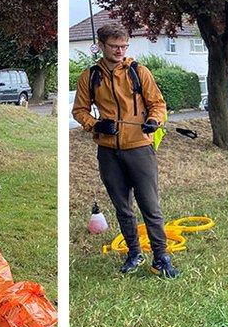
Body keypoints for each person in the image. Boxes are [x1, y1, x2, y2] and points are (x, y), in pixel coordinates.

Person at [72, 21, 177, 278]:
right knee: (123, 208)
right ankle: (134, 253)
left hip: (140, 148)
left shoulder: (138, 72)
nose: (120, 51)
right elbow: (79, 111)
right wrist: (97, 125)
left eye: (124, 46)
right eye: (115, 46)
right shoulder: (90, 76)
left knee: (150, 206)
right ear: (101, 46)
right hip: (108, 151)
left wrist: (154, 121)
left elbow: (158, 104)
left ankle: (161, 257)